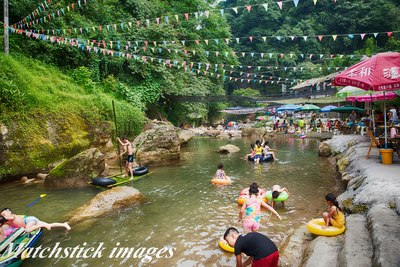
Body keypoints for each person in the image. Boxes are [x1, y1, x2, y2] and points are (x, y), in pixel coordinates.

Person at [0, 208, 71, 233]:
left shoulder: (12, 216)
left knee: (27, 230)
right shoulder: (7, 222)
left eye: (3, 214)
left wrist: (5, 215)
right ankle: (64, 224)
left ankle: (42, 225)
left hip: (28, 220)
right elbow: (3, 226)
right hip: (31, 222)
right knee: (49, 225)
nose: (3, 215)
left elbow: (10, 218)